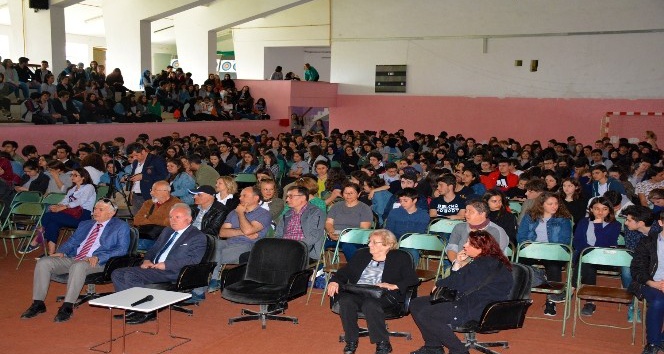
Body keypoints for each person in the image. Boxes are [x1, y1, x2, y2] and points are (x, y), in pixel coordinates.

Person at [19, 199, 130, 323]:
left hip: (98, 262)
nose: (95, 212)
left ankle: (67, 306)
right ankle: (38, 303)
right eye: (95, 209)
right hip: (75, 257)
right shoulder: (86, 224)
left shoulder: (121, 226)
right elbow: (72, 242)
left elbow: (122, 249)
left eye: (100, 209)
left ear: (111, 213)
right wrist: (62, 252)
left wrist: (99, 257)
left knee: (78, 266)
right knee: (44, 262)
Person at [409, 230, 513, 354]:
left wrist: (439, 284)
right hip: (470, 299)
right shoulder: (485, 260)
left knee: (428, 314)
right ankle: (433, 346)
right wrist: (457, 263)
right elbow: (459, 280)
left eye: (470, 243)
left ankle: (459, 350)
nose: (464, 245)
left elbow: (458, 283)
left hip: (479, 307)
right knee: (416, 303)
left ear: (481, 247)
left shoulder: (483, 264)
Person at [111, 203, 207, 324]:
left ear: (189, 219)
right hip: (154, 268)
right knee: (117, 273)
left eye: (177, 217)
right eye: (171, 217)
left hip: (174, 271)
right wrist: (147, 260)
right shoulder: (167, 231)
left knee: (131, 275)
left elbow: (193, 260)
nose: (172, 220)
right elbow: (153, 249)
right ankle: (132, 307)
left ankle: (146, 311)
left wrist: (166, 265)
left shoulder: (197, 236)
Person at [327, 229, 418, 354]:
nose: (369, 245)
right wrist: (334, 281)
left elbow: (412, 279)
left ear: (388, 244)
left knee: (370, 304)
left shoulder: (400, 257)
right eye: (369, 241)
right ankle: (351, 340)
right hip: (359, 292)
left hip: (385, 295)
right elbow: (344, 272)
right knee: (346, 300)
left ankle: (383, 343)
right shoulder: (362, 254)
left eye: (375, 242)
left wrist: (394, 285)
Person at [516, 191, 573, 316]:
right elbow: (521, 237)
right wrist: (530, 248)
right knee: (520, 267)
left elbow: (564, 240)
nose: (554, 206)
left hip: (553, 252)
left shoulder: (563, 219)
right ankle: (520, 300)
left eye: (556, 203)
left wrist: (548, 250)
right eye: (550, 204)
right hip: (532, 250)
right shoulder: (529, 216)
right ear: (541, 205)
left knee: (553, 266)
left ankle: (551, 300)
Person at [20, 168, 96, 256]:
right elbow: (65, 201)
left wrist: (63, 207)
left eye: (75, 175)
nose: (72, 176)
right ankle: (51, 253)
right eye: (72, 175)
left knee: (49, 216)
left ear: (83, 177)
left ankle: (36, 240)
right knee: (52, 222)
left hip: (82, 216)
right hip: (70, 214)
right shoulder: (72, 189)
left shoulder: (89, 187)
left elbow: (81, 201)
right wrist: (57, 206)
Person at [572, 196, 621, 317]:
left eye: (604, 209)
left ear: (609, 210)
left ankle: (571, 288)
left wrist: (598, 226)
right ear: (591, 210)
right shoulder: (584, 221)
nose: (600, 212)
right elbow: (577, 241)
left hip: (606, 258)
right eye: (597, 208)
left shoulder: (615, 225)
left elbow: (605, 244)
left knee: (588, 261)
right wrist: (588, 251)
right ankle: (590, 301)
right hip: (585, 256)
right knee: (588, 263)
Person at [213, 186, 272, 286]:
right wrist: (244, 232)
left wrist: (241, 213)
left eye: (244, 195)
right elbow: (222, 232)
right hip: (228, 243)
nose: (240, 198)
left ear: (256, 198)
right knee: (212, 245)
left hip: (248, 246)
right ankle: (214, 278)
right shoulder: (233, 212)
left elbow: (248, 230)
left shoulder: (264, 214)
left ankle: (213, 279)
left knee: (213, 255)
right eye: (240, 195)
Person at [188, 185, 230, 303]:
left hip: (207, 239)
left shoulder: (220, 209)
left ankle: (198, 290)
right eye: (195, 194)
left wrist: (191, 237)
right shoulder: (193, 208)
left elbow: (213, 230)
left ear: (210, 197)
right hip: (191, 237)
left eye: (198, 194)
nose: (194, 197)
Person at [629, 211, 664, 354]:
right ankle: (653, 344)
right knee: (658, 301)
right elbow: (637, 268)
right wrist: (652, 283)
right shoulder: (647, 241)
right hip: (649, 283)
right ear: (661, 223)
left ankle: (661, 339)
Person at [274, 185, 325, 262]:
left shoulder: (315, 212)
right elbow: (278, 235)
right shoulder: (287, 214)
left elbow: (314, 235)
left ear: (303, 198)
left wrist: (296, 246)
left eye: (291, 196)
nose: (287, 199)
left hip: (305, 249)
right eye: (287, 196)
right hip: (285, 248)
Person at [325, 182, 374, 261]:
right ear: (342, 194)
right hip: (335, 236)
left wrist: (347, 235)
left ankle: (354, 268)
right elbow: (329, 222)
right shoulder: (336, 206)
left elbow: (363, 229)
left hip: (355, 239)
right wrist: (331, 232)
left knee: (347, 246)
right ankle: (319, 269)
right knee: (319, 243)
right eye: (346, 193)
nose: (348, 195)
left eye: (351, 193)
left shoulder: (364, 208)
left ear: (358, 194)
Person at [132, 180, 182, 251]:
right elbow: (137, 220)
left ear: (165, 192)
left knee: (136, 245)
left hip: (164, 238)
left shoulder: (177, 204)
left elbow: (171, 223)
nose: (151, 193)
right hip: (145, 234)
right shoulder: (148, 203)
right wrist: (159, 221)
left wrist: (148, 218)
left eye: (155, 190)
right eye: (151, 190)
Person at [126, 142, 168, 215]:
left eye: (136, 155)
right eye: (132, 156)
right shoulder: (135, 162)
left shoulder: (156, 160)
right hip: (136, 195)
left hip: (151, 195)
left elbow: (164, 176)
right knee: (138, 220)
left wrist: (143, 177)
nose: (135, 158)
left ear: (143, 151)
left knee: (150, 220)